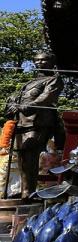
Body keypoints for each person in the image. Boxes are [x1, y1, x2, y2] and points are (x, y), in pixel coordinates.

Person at [3, 51, 64, 196]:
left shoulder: (54, 80)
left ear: (51, 63)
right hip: (21, 123)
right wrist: (11, 105)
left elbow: (45, 97)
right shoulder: (29, 83)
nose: (39, 63)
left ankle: (28, 191)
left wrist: (26, 106)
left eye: (43, 60)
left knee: (30, 153)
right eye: (36, 60)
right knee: (22, 156)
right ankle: (24, 189)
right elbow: (14, 98)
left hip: (37, 122)